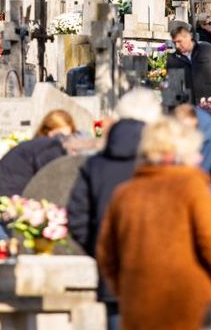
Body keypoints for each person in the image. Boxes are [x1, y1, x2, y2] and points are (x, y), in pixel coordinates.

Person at [97, 116, 211, 329]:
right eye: (194, 151)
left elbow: (107, 255)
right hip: (190, 310)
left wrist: (129, 290)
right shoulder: (193, 188)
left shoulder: (125, 194)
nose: (199, 157)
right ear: (177, 153)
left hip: (139, 311)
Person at [68, 89, 163, 329]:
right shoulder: (161, 164)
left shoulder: (96, 165)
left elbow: (77, 216)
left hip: (113, 273)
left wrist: (100, 248)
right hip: (158, 271)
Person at [0, 110, 77, 241]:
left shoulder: (34, 147)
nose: (63, 141)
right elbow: (54, 186)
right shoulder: (50, 147)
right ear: (47, 131)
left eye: (68, 137)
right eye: (60, 136)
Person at [167, 20, 211, 103]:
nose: (177, 46)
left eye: (179, 41)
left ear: (188, 37)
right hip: (188, 108)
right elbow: (173, 88)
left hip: (210, 104)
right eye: (174, 42)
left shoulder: (207, 50)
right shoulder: (173, 59)